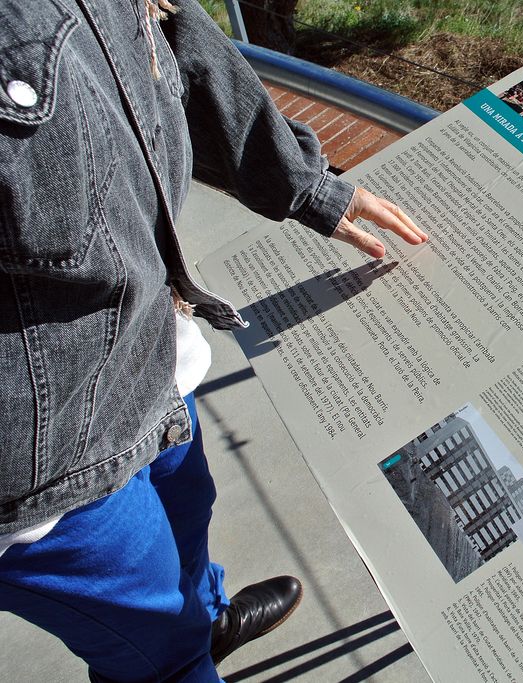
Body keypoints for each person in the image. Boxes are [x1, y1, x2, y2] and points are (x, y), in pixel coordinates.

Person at [0, 1, 426, 680]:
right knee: (159, 651)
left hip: (153, 350)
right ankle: (184, 651)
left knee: (189, 516)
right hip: (50, 461)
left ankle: (207, 618)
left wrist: (305, 183)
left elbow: (161, 35)